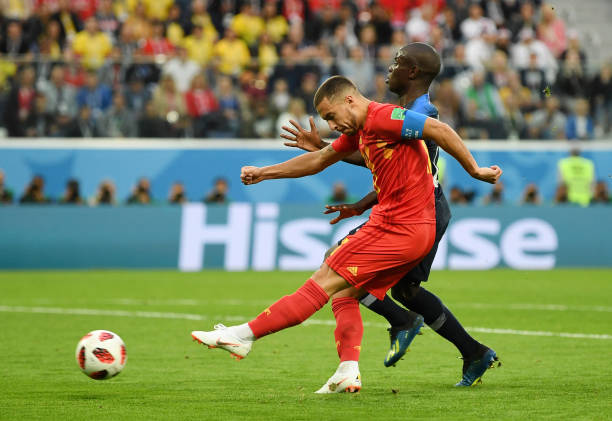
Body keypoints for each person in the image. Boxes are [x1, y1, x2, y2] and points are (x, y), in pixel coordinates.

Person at [191, 75, 502, 393]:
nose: (331, 125)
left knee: (324, 278)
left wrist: (475, 170)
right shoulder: (362, 130)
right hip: (408, 228)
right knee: (345, 291)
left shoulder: (383, 116)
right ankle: (348, 370)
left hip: (397, 227)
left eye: (331, 116)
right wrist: (264, 173)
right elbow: (320, 159)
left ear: (349, 101)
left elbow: (439, 129)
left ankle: (242, 335)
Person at [281, 44, 501, 389]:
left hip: (422, 209)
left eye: (397, 62)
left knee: (343, 267)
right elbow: (382, 161)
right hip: (415, 207)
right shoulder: (400, 111)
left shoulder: (420, 111)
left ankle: (403, 323)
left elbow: (412, 172)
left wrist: (474, 170)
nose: (390, 67)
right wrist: (335, 162)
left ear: (412, 72)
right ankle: (472, 352)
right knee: (405, 289)